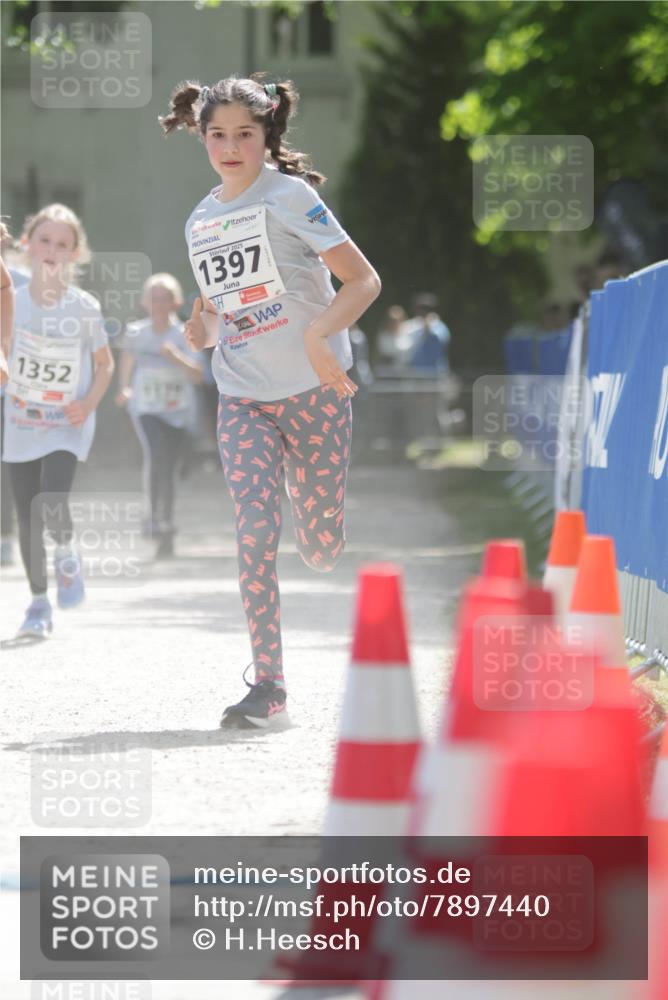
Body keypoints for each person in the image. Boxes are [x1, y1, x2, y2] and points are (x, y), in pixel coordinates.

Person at [160, 74, 381, 728]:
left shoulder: (290, 198)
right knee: (255, 529)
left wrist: (320, 334)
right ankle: (270, 685)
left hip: (317, 393)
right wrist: (202, 329)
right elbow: (221, 313)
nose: (231, 147)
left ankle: (321, 521)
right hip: (244, 396)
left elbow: (363, 280)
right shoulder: (200, 220)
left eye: (245, 135)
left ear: (267, 137)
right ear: (201, 139)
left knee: (319, 547)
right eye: (218, 135)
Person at [2, 204, 114, 638]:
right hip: (20, 423)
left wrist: (87, 404)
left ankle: (66, 551)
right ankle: (37, 604)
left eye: (62, 244)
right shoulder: (10, 300)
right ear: (27, 246)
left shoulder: (84, 306)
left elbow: (104, 365)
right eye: (44, 240)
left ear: (74, 254)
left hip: (66, 423)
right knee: (27, 515)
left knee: (50, 501)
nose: (52, 250)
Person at [115, 273, 203, 558]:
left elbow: (199, 376)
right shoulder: (136, 333)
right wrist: (124, 388)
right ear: (144, 302)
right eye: (154, 298)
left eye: (166, 299)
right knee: (156, 456)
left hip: (178, 411)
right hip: (147, 407)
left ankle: (165, 522)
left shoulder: (184, 333)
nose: (160, 304)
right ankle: (155, 518)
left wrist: (175, 357)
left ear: (175, 302)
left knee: (170, 468)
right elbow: (127, 361)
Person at [407, 292, 450, 374]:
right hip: (415, 372)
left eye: (424, 309)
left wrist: (428, 329)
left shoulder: (439, 327)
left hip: (435, 373)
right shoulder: (413, 325)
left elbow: (439, 341)